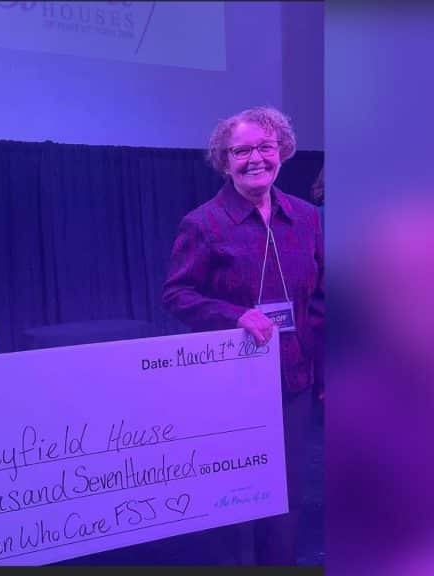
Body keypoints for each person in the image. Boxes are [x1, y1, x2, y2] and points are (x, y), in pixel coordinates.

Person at [162, 106, 324, 565]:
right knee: (232, 499)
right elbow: (176, 294)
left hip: (293, 379)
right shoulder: (204, 223)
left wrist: (328, 377)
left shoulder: (308, 218)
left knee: (287, 496)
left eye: (265, 147)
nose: (256, 158)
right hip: (228, 383)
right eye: (242, 150)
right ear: (224, 159)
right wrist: (234, 315)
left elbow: (324, 301)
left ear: (283, 152)